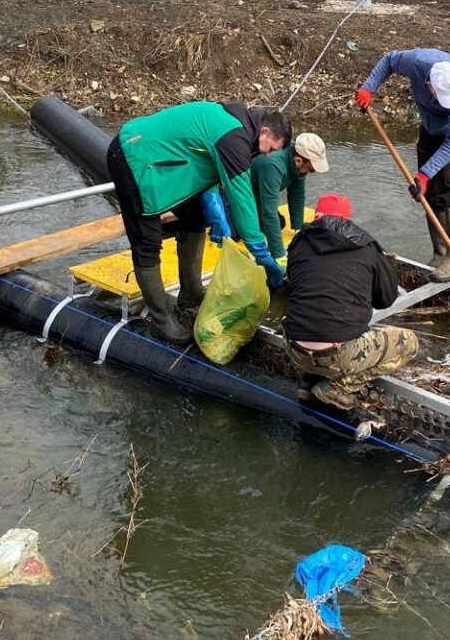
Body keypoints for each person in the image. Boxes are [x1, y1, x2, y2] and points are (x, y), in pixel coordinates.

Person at [107, 101, 290, 342]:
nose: (268, 154)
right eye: (271, 148)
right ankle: (162, 318)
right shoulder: (234, 137)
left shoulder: (240, 129)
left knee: (195, 219)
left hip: (166, 163)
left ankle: (191, 294)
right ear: (265, 131)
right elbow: (242, 198)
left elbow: (206, 161)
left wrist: (215, 215)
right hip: (134, 156)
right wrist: (260, 251)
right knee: (147, 241)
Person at [282, 192, 420, 410]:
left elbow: (293, 283)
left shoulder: (298, 243)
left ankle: (306, 380)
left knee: (308, 313)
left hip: (294, 348)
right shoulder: (368, 248)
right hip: (338, 355)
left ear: (316, 218)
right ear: (347, 219)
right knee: (409, 342)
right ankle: (339, 387)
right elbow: (386, 299)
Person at [354, 48, 450, 279]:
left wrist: (425, 173)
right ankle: (440, 253)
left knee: (449, 180)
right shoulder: (418, 62)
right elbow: (389, 61)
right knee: (428, 189)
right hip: (431, 126)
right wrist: (368, 87)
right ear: (430, 86)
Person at [250, 131, 330, 262]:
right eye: (311, 169)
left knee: (279, 223)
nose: (311, 172)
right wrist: (279, 255)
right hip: (239, 197)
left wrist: (298, 230)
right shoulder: (273, 165)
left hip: (259, 197)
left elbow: (297, 195)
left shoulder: (298, 162)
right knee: (244, 232)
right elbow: (269, 213)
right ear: (299, 161)